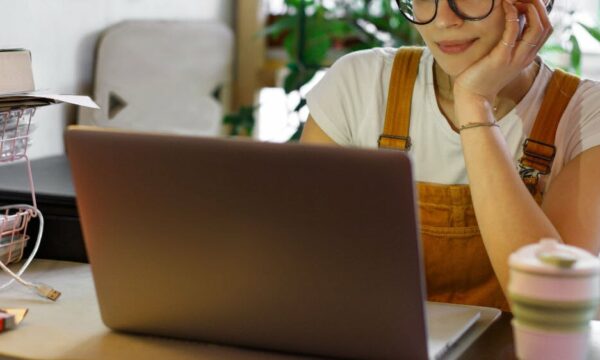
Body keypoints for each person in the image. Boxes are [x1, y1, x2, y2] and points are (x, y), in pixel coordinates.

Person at [300, 0, 600, 311]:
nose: (443, 20)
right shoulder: (359, 84)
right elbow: (300, 262)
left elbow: (550, 304)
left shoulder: (585, 116)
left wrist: (473, 103)